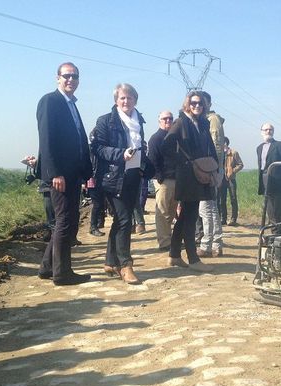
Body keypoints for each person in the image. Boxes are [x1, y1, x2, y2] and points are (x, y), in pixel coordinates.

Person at [36, 62, 93, 286]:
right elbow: (47, 140)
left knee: (67, 219)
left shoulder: (71, 104)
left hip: (73, 173)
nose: (71, 80)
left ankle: (47, 267)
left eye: (75, 76)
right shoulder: (50, 101)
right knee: (65, 221)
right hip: (60, 175)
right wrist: (54, 173)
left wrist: (87, 172)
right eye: (67, 76)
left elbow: (80, 139)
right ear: (57, 78)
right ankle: (62, 273)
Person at [90, 83, 152, 285]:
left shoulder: (138, 121)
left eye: (130, 98)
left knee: (119, 220)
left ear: (136, 99)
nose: (126, 101)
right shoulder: (105, 121)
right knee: (125, 220)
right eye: (122, 98)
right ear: (116, 100)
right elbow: (98, 148)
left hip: (133, 177)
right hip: (112, 178)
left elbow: (140, 146)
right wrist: (120, 154)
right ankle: (125, 265)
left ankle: (110, 261)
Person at [162, 91, 216, 272]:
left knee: (185, 216)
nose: (197, 106)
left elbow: (210, 146)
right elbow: (166, 146)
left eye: (200, 103)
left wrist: (216, 166)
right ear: (187, 104)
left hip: (200, 173)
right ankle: (193, 259)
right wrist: (183, 162)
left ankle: (174, 255)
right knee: (190, 217)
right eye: (193, 103)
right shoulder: (181, 122)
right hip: (187, 175)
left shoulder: (202, 123)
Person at [197, 91, 225, 258]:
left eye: (201, 103)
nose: (198, 106)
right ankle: (216, 245)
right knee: (211, 209)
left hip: (210, 169)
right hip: (211, 168)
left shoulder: (212, 120)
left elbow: (216, 146)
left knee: (206, 209)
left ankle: (207, 246)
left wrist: (213, 170)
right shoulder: (208, 120)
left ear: (208, 104)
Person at [256, 123, 281, 235]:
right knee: (270, 212)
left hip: (279, 183)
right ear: (261, 131)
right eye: (266, 129)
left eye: (270, 129)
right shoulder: (259, 148)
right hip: (266, 181)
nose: (268, 131)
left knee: (280, 212)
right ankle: (274, 236)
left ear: (273, 131)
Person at [148, 110, 176, 251]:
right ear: (159, 121)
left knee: (171, 212)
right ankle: (164, 243)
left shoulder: (174, 138)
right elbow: (152, 160)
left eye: (170, 119)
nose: (168, 121)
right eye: (165, 119)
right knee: (163, 212)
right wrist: (160, 178)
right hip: (164, 181)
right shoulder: (155, 138)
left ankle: (168, 239)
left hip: (176, 179)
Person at [220, 136, 244, 226]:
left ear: (226, 143)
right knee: (222, 199)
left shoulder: (234, 153)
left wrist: (232, 171)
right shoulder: (219, 153)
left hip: (231, 179)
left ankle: (233, 219)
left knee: (233, 199)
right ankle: (223, 218)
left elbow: (241, 164)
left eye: (223, 142)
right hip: (221, 179)